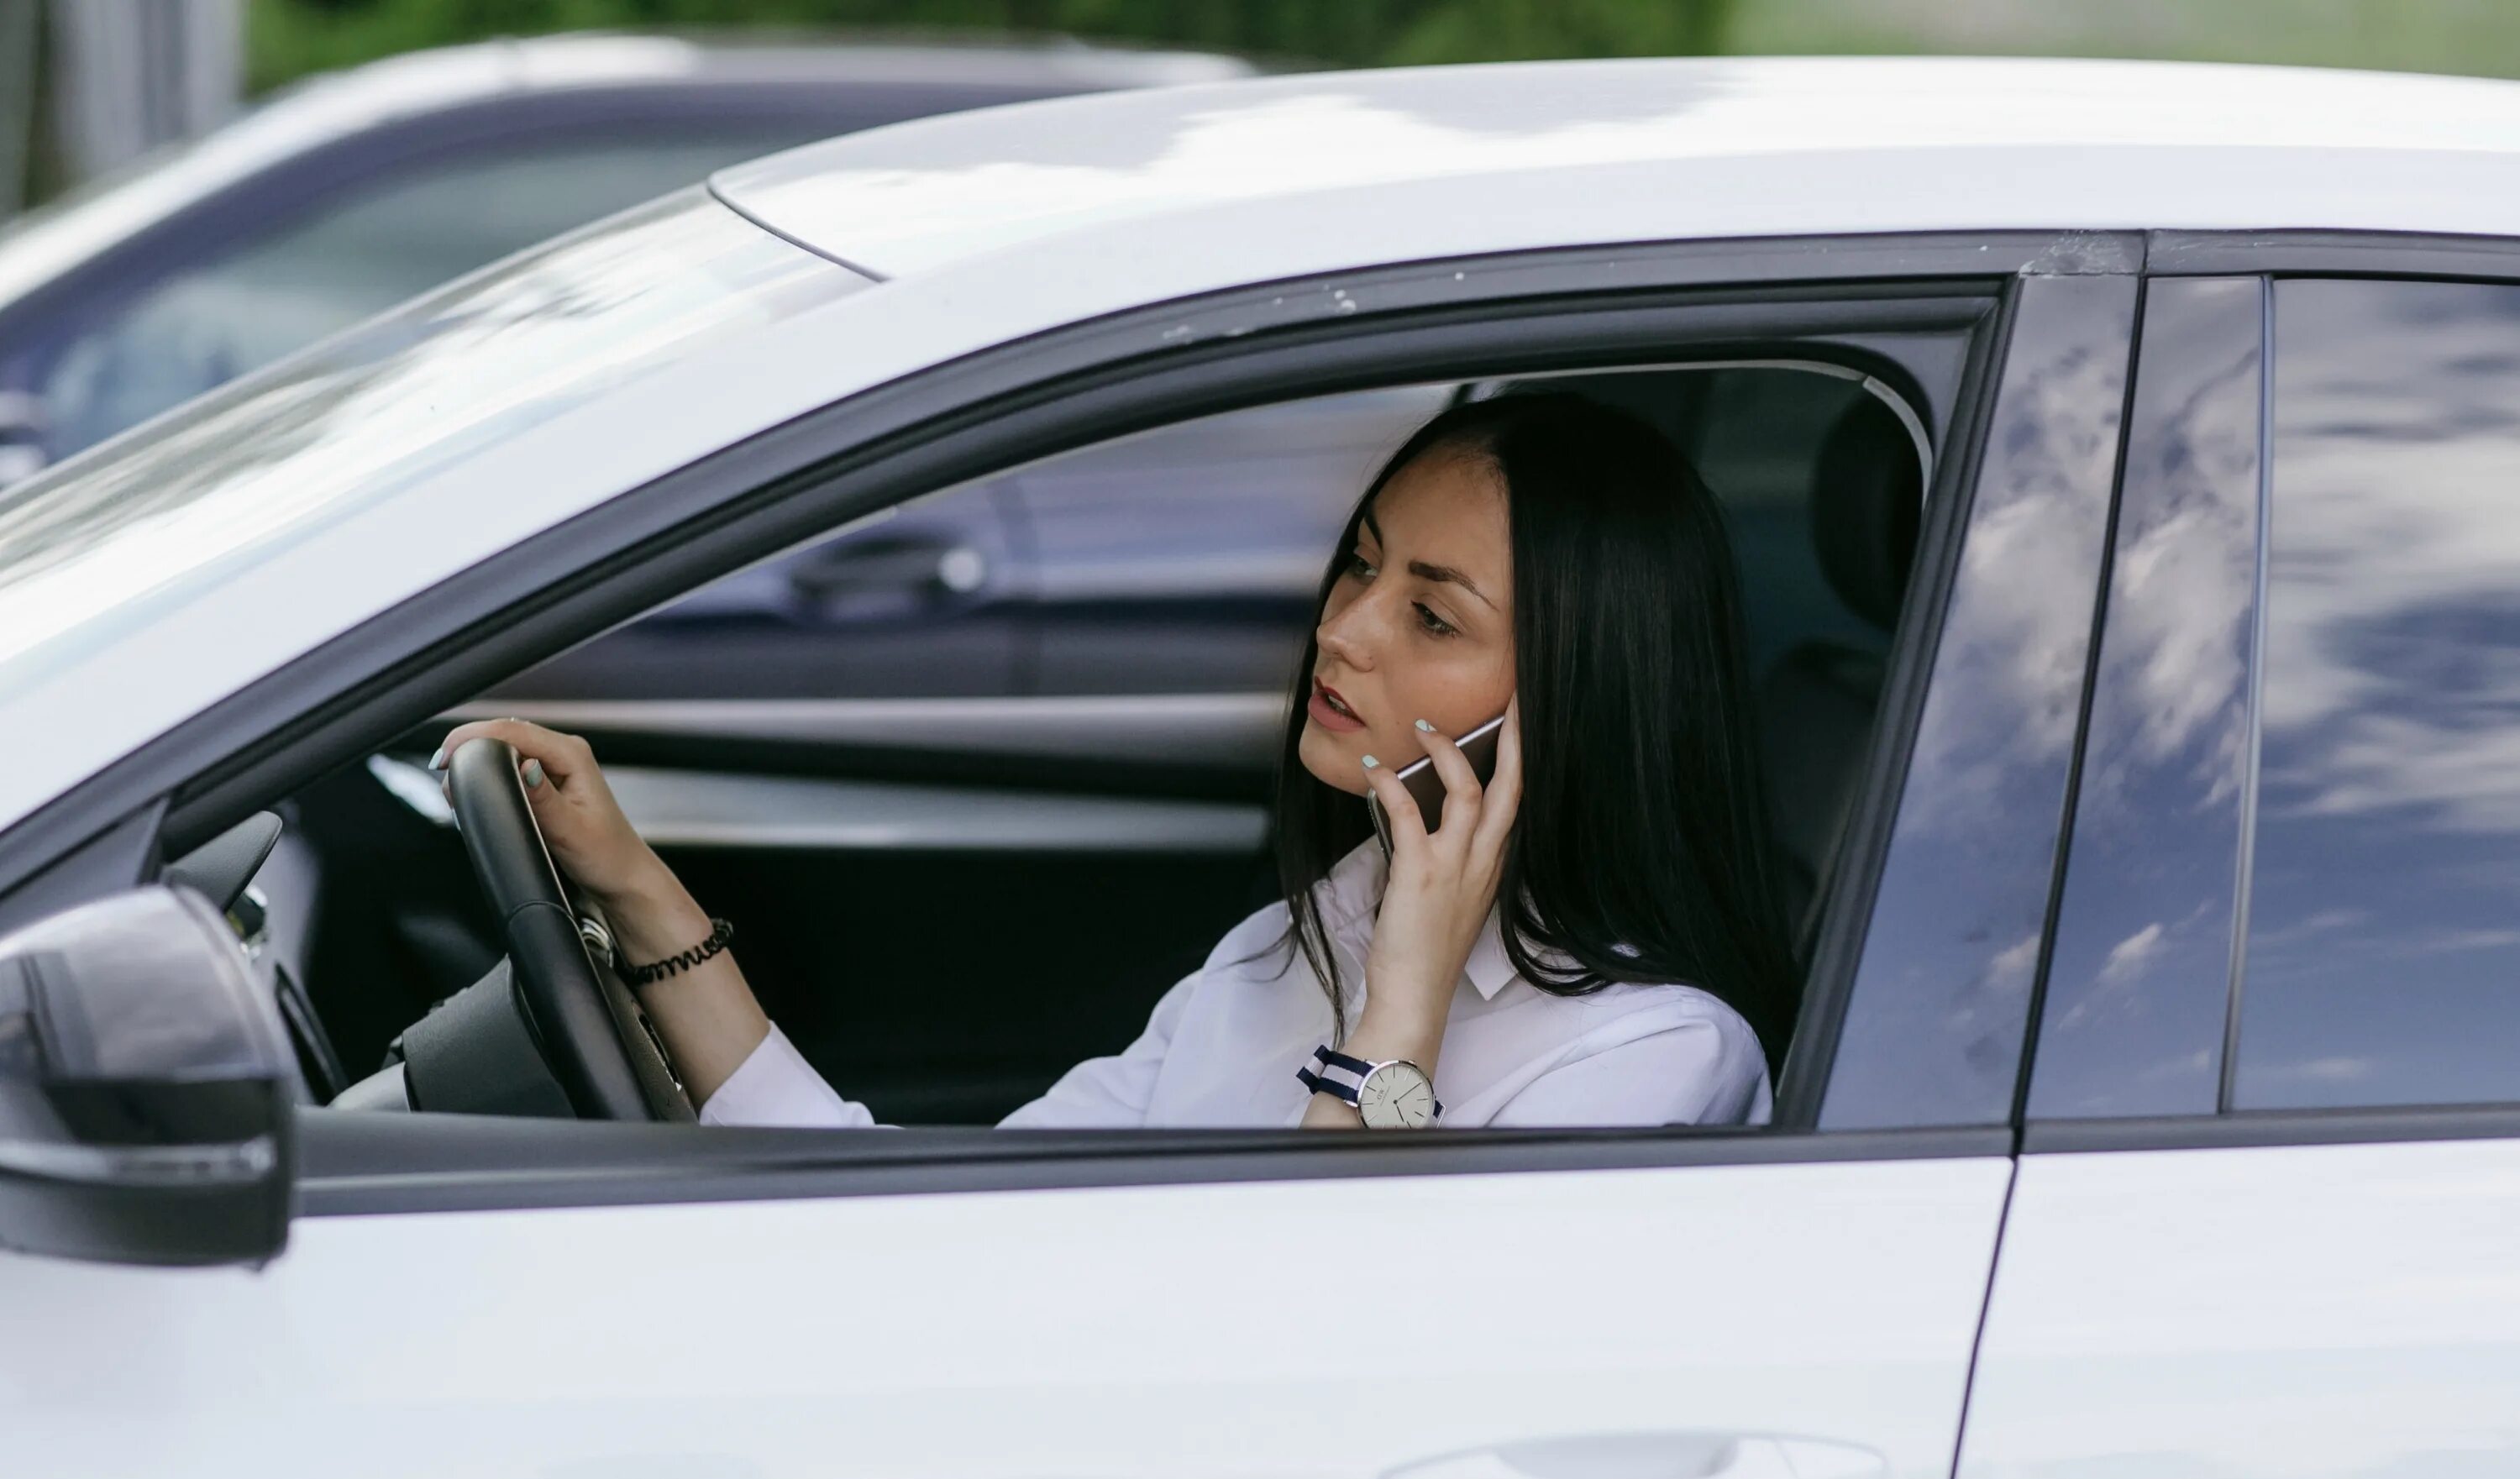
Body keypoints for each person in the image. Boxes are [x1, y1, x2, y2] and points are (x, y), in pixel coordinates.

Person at [433, 392, 1800, 1130]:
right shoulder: (1301, 933)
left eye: (1432, 617)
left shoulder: (1654, 1060)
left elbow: (1326, 1340)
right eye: (1362, 565)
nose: (1344, 627)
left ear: (1576, 700)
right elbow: (944, 1228)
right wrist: (641, 899)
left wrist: (1404, 1018)